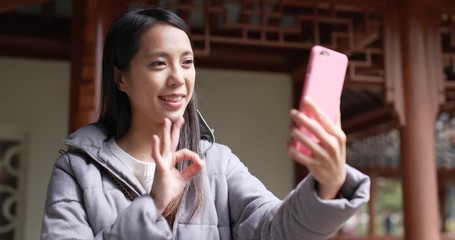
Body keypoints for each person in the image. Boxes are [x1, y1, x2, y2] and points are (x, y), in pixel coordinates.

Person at [41, 6, 370, 240]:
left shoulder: (218, 164)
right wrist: (153, 207)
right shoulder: (76, 170)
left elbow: (276, 230)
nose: (178, 78)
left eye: (187, 62)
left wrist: (327, 185)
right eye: (158, 63)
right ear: (120, 78)